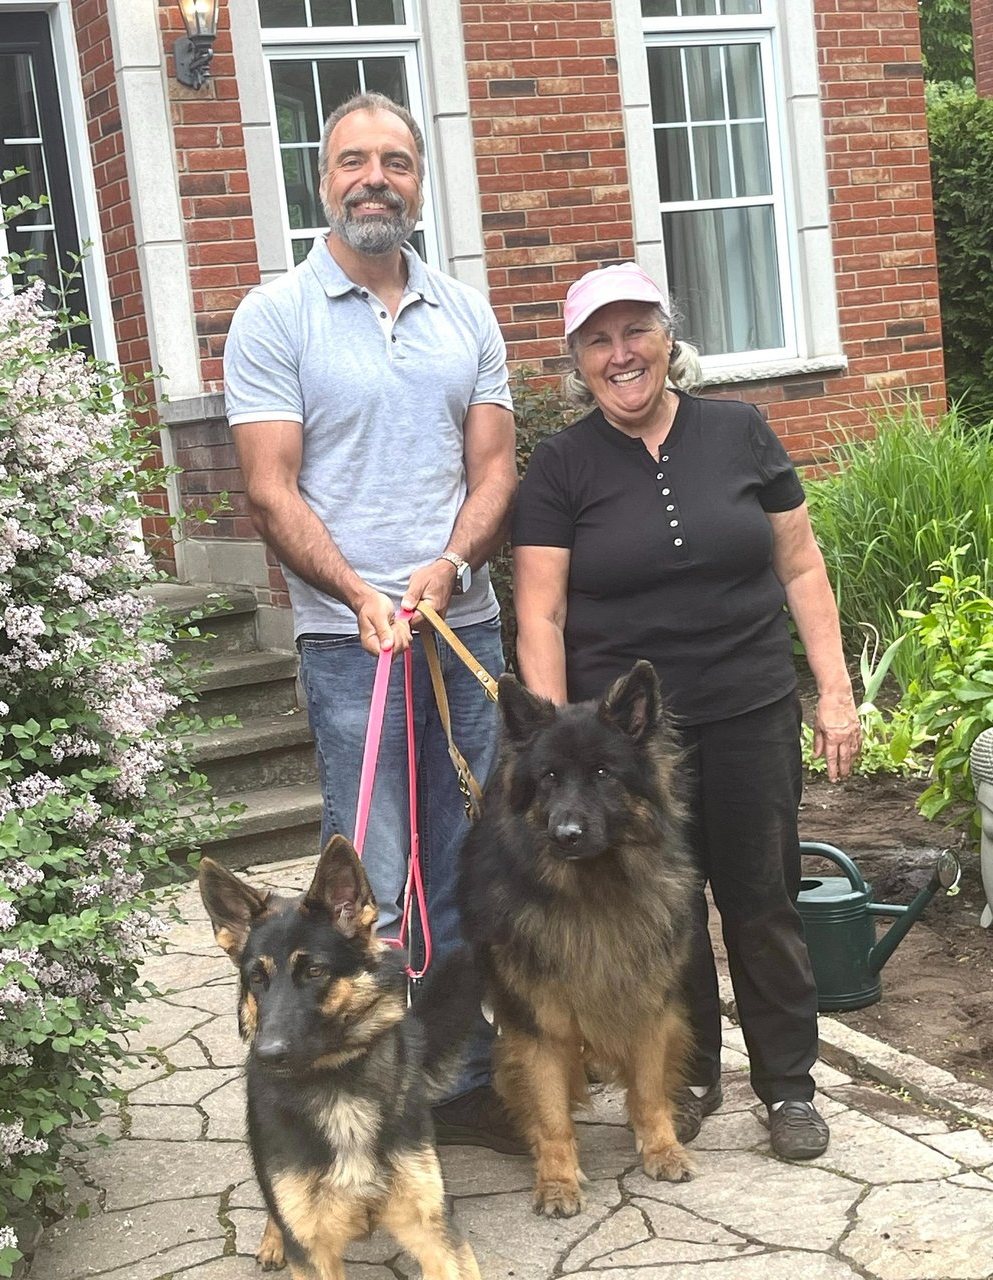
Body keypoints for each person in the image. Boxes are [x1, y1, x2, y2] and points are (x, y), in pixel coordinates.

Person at [223, 92, 521, 1152]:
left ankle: (464, 1077)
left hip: (459, 632)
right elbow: (269, 486)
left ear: (418, 180)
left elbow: (493, 470)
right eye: (354, 160)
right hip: (353, 654)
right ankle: (359, 1100)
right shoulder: (274, 316)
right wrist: (358, 594)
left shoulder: (465, 313)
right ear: (322, 179)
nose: (374, 178)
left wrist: (446, 566)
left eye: (395, 161)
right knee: (367, 889)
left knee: (463, 870)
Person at [511, 261, 862, 1161]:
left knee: (762, 899)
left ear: (669, 341)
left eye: (637, 332)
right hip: (625, 749)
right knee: (665, 912)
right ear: (576, 362)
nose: (621, 354)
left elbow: (802, 566)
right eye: (599, 339)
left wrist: (833, 689)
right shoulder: (559, 467)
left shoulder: (741, 432)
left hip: (749, 705)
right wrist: (553, 741)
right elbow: (540, 612)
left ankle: (788, 1089)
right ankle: (693, 1079)